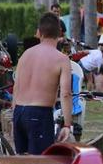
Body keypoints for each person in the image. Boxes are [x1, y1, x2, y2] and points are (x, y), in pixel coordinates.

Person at [12, 12, 73, 155]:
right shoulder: (61, 59)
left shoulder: (25, 55)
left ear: (39, 33)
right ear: (59, 34)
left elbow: (16, 87)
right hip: (39, 114)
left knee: (23, 163)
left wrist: (15, 111)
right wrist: (67, 124)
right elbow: (65, 94)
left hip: (19, 112)